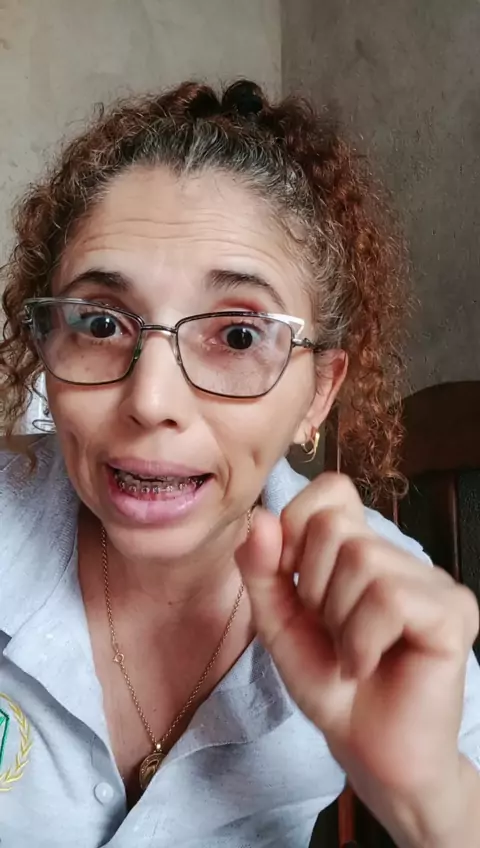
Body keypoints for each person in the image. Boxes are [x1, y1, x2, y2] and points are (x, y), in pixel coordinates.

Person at [0, 79, 479, 848]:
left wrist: (430, 797)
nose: (150, 400)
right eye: (100, 323)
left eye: (239, 336)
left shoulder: (384, 613)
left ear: (319, 393)